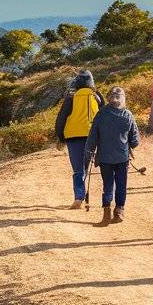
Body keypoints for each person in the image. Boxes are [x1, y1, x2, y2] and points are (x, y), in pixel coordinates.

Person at [83, 86, 140, 226]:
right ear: (122, 99)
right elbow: (135, 140)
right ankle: (119, 210)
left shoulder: (101, 114)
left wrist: (89, 151)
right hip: (122, 157)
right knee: (121, 184)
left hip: (105, 158)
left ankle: (106, 214)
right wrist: (129, 145)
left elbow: (92, 136)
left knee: (108, 184)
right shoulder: (128, 115)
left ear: (109, 98)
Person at [54, 70, 105, 209]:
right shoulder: (97, 96)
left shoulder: (71, 98)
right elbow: (105, 115)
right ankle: (83, 194)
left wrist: (61, 137)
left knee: (78, 168)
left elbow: (61, 119)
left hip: (73, 136)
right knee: (85, 165)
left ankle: (79, 197)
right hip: (92, 135)